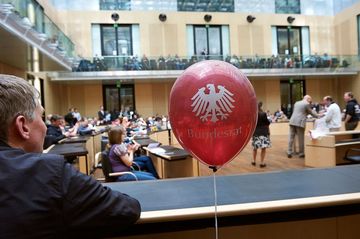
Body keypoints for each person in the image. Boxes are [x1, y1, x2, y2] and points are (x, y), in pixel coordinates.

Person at [0, 74, 140, 238]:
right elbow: (127, 209)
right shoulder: (47, 172)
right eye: (41, 117)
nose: (45, 127)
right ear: (23, 126)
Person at [251, 102, 271, 167]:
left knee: (255, 148)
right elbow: (267, 123)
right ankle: (262, 163)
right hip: (263, 132)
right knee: (263, 148)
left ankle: (254, 161)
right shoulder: (263, 114)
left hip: (256, 133)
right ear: (261, 106)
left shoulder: (254, 114)